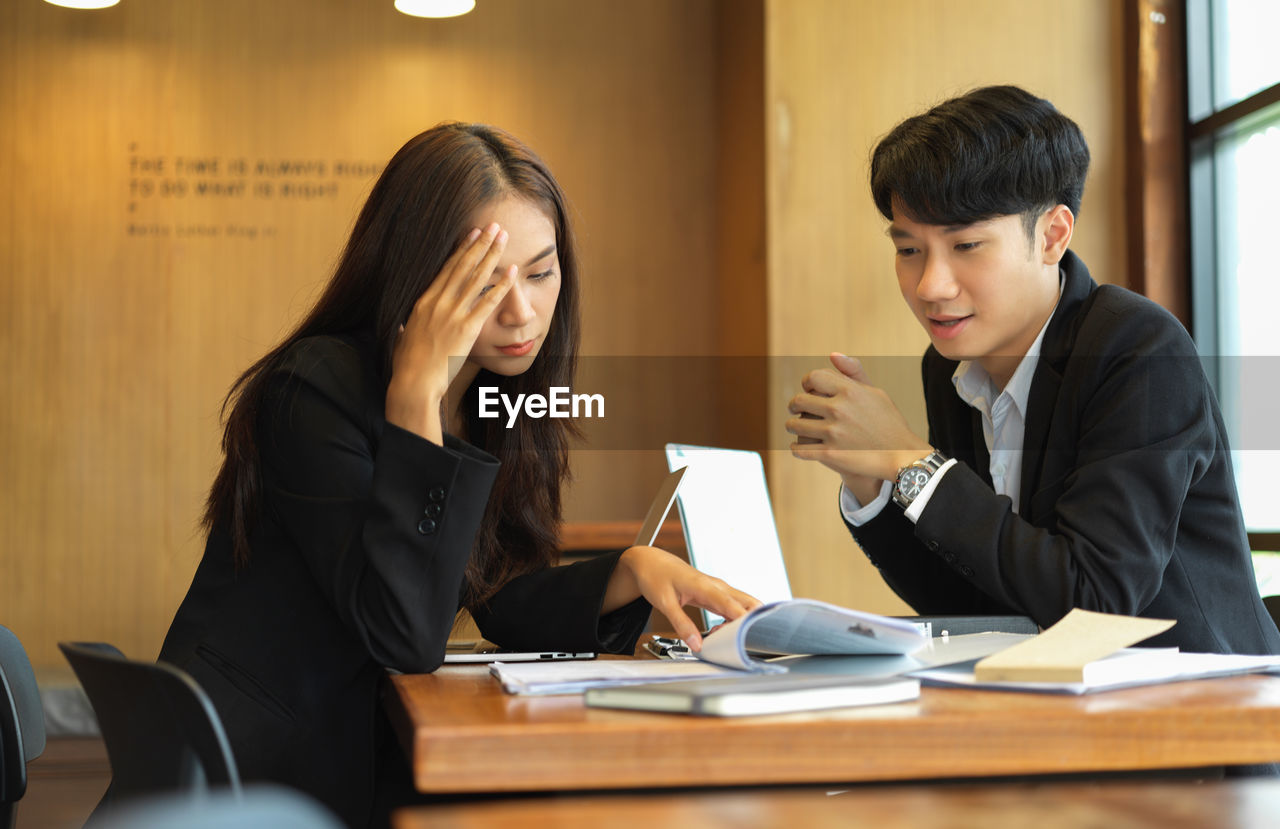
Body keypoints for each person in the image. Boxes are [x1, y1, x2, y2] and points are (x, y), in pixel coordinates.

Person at [158, 123, 759, 827]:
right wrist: (416, 398)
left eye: (541, 272)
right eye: (482, 283)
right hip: (260, 773)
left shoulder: (496, 397)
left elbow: (487, 584)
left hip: (359, 753)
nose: (521, 310)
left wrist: (626, 570)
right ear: (417, 278)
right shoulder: (314, 388)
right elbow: (405, 631)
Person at [786, 85, 1280, 659]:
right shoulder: (950, 368)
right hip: (1058, 711)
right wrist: (872, 481)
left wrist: (909, 462)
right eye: (909, 249)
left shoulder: (1137, 349)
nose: (930, 287)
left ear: (1052, 236)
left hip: (1200, 720)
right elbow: (975, 602)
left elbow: (1097, 602)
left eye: (966, 245)